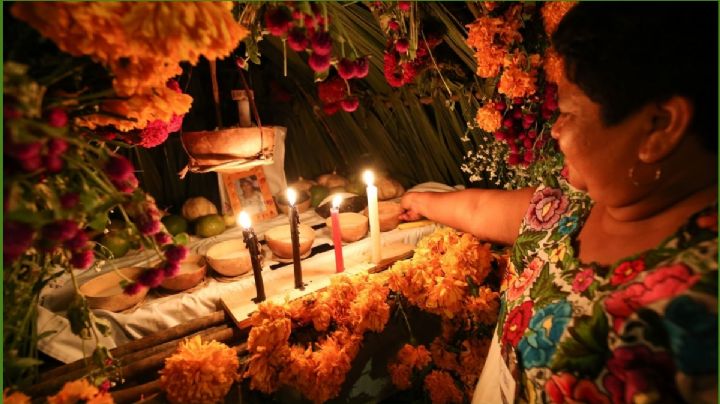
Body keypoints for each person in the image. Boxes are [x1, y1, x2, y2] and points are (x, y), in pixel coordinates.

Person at [401, 3, 717, 403]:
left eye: (568, 112)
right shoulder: (575, 203)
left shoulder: (701, 303)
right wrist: (418, 201)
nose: (555, 129)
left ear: (660, 126)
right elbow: (480, 210)